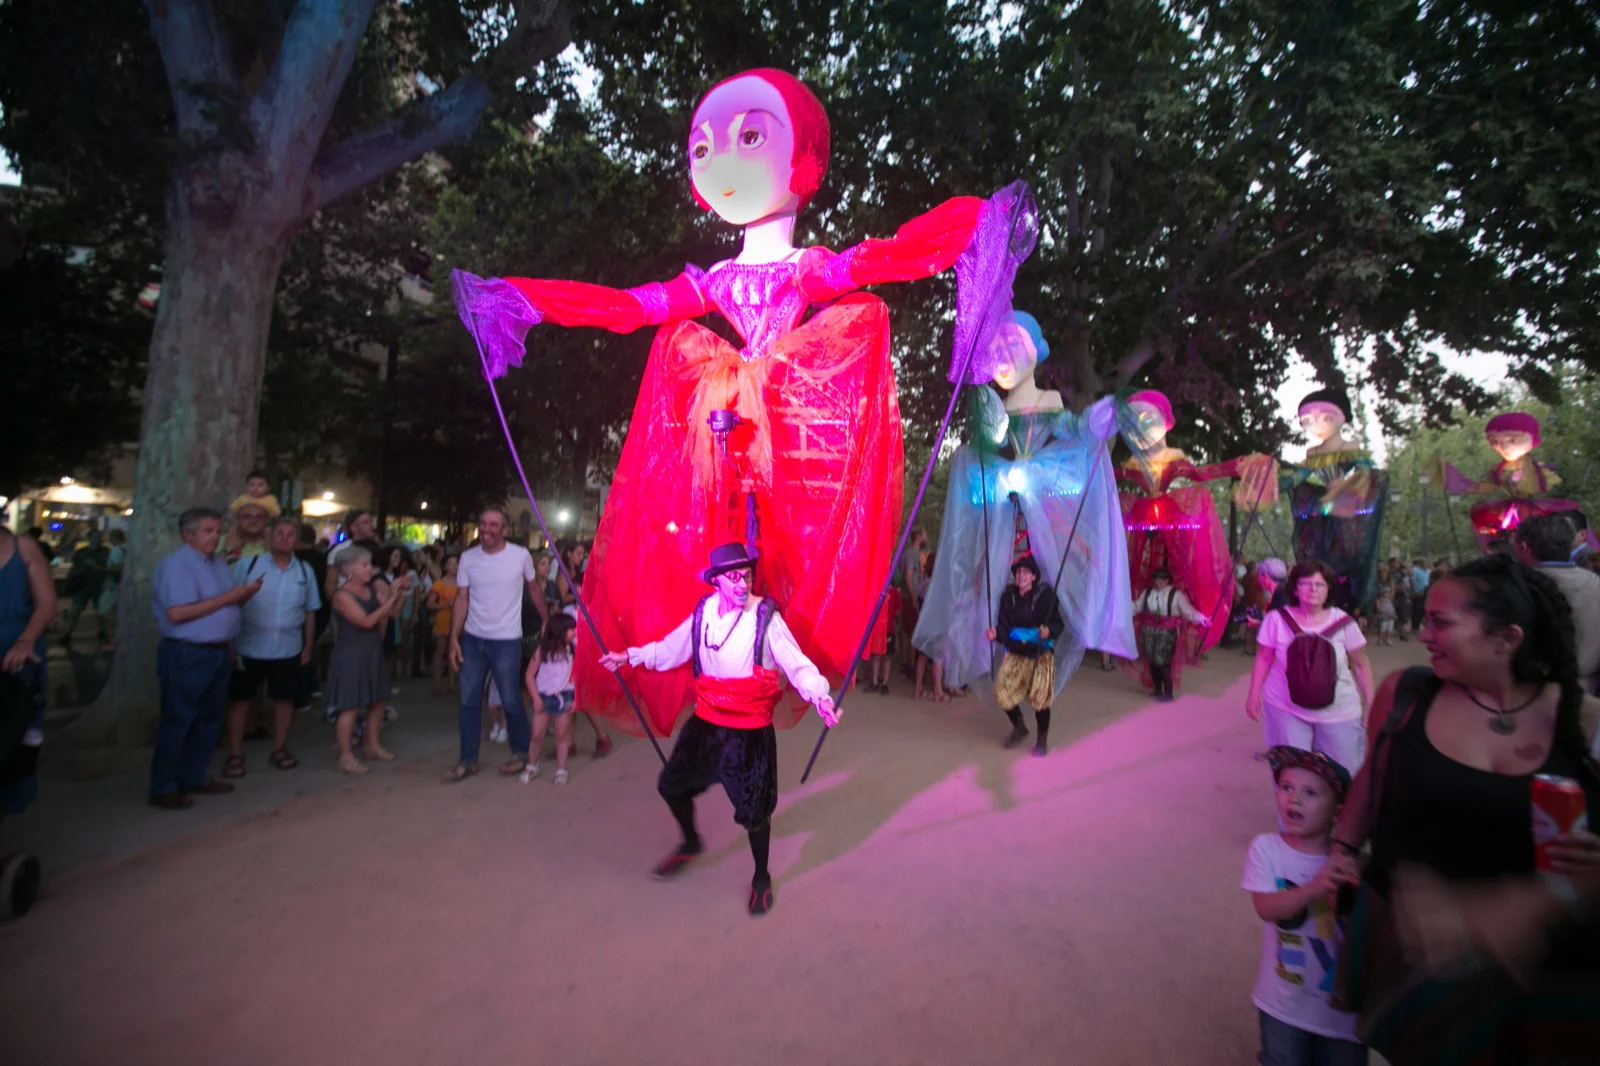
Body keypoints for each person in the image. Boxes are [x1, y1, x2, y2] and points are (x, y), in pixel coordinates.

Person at [1324, 554, 1600, 1063]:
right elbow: (1370, 780)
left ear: (1507, 638)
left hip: (1536, 977)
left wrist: (1523, 905)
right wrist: (1340, 850)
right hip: (1407, 954)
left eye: (1440, 622)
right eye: (1425, 618)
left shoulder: (1585, 722)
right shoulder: (1403, 694)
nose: (1423, 634)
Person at [600, 542, 838, 916]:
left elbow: (797, 664)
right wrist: (630, 657)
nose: (742, 584)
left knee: (755, 812)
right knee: (670, 785)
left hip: (749, 734)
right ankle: (691, 842)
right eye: (733, 577)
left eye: (746, 576)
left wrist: (819, 695)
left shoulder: (765, 617)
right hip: (707, 725)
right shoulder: (703, 612)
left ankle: (761, 877)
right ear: (716, 582)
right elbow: (670, 649)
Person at [1242, 747, 1364, 1066]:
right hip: (1282, 1006)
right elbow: (1266, 908)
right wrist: (1314, 888)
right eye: (1287, 787)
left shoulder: (1353, 866)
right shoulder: (1267, 849)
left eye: (1310, 793)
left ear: (1338, 811)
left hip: (1342, 1015)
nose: (1294, 799)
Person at [148, 508, 262, 809]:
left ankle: (194, 776)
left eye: (216, 530)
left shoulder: (219, 565)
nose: (215, 536)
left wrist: (244, 595)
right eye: (207, 531)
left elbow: (226, 605)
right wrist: (229, 597)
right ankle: (165, 786)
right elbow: (177, 613)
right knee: (179, 720)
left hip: (217, 651)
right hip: (186, 652)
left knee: (209, 720)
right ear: (188, 534)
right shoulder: (176, 566)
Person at [1245, 561, 1375, 774]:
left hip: (1339, 711)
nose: (1313, 589)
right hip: (1284, 707)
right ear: (1295, 588)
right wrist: (1253, 693)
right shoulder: (1275, 619)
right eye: (1306, 583)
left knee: (1344, 772)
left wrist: (1370, 701)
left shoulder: (1345, 622)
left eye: (1320, 585)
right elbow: (1263, 658)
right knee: (1291, 772)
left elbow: (1360, 664)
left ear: (1329, 589)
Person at [443, 508, 543, 782]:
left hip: (507, 640)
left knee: (511, 699)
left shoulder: (519, 556)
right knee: (468, 702)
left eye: (493, 525)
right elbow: (461, 598)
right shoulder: (468, 557)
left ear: (504, 530)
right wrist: (454, 637)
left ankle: (521, 752)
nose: (486, 529)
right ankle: (467, 760)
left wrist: (547, 620)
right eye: (483, 523)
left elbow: (533, 589)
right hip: (473, 639)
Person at [222, 517, 319, 777]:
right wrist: (229, 645)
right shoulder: (246, 566)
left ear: (297, 541)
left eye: (290, 535)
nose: (285, 539)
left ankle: (280, 749)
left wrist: (308, 645)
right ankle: (235, 754)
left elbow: (310, 611)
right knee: (241, 701)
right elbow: (229, 606)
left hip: (288, 648)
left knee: (284, 700)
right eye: (280, 533)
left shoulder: (304, 572)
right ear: (270, 536)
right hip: (248, 647)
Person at [0, 524, 57, 915]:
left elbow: (47, 604)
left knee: (6, 756)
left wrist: (24, 640)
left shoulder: (22, 549)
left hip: (13, 666)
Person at [324, 546, 411, 774]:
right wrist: (391, 598)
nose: (369, 569)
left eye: (369, 564)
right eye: (364, 565)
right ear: (347, 569)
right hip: (351, 653)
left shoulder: (371, 589)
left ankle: (371, 745)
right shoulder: (342, 596)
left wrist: (400, 593)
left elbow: (392, 613)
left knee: (379, 700)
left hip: (372, 650)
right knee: (350, 705)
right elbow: (366, 621)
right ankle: (345, 756)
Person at [984, 555, 1065, 755]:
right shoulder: (1009, 597)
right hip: (1016, 653)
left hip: (1040, 654)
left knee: (1040, 700)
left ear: (1034, 576)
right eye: (1018, 572)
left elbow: (1058, 624)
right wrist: (996, 633)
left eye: (1025, 572)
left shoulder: (1046, 597)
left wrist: (1049, 631)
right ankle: (1019, 727)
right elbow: (1005, 626)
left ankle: (1042, 738)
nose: (1021, 575)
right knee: (1002, 693)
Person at [1513, 513, 1600, 694]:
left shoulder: (1519, 588)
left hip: (1543, 695)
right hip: (1593, 687)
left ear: (1523, 547)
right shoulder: (1594, 580)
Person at [1130, 567, 1209, 702]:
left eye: (1163, 579)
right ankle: (1157, 689)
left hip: (1168, 632)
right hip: (1149, 630)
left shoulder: (1176, 595)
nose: (1160, 582)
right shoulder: (1148, 593)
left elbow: (1188, 611)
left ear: (1168, 580)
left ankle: (1168, 691)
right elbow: (1136, 607)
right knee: (1152, 661)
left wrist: (1202, 619)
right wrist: (1120, 608)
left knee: (1163, 661)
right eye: (1157, 579)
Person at [520, 614, 578, 785]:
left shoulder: (572, 650)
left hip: (564, 696)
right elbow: (529, 676)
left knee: (562, 735)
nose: (574, 632)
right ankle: (532, 766)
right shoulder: (541, 651)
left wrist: (576, 698)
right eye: (571, 629)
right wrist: (536, 698)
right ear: (560, 631)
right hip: (544, 697)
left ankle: (561, 769)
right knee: (536, 734)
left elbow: (576, 677)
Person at [293, 523, 329, 713]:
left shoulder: (295, 560)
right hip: (321, 610)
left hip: (303, 611)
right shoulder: (322, 558)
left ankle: (302, 693)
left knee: (301, 651)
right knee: (310, 647)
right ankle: (311, 685)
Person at [59, 530, 109, 647]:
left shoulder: (105, 552)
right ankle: (68, 633)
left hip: (98, 585)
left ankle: (102, 630)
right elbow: (74, 568)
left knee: (100, 611)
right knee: (76, 610)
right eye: (94, 537)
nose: (97, 540)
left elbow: (108, 568)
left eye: (98, 537)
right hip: (83, 585)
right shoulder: (81, 552)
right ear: (89, 539)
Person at [427, 554, 459, 697]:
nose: (454, 566)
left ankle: (452, 684)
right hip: (442, 622)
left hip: (457, 623)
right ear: (445, 566)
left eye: (456, 563)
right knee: (440, 654)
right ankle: (437, 685)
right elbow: (430, 604)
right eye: (451, 563)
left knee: (453, 654)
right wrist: (447, 605)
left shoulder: (462, 583)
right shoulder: (439, 584)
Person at [97, 529, 126, 649]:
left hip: (113, 585)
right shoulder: (127, 548)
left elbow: (118, 567)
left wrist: (103, 571)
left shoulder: (116, 550)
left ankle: (119, 634)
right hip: (123, 585)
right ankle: (117, 637)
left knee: (103, 609)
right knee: (117, 610)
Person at [1408, 558, 1429, 635]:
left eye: (1425, 562)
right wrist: (1414, 591)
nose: (1424, 564)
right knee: (1416, 609)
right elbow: (1412, 580)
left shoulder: (1428, 571)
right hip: (1418, 591)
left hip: (1426, 591)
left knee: (1424, 609)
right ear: (1420, 564)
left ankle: (1423, 626)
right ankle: (1415, 627)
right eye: (1422, 562)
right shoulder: (1415, 570)